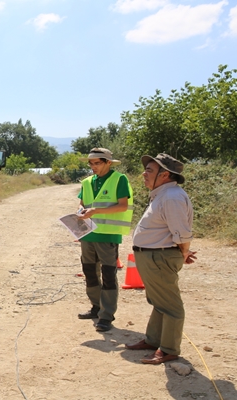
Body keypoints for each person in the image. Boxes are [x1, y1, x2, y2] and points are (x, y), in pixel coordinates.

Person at [125, 153, 195, 364]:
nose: (144, 174)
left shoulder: (172, 197)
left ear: (165, 175)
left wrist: (183, 252)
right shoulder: (163, 194)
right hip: (153, 256)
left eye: (150, 170)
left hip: (160, 256)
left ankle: (169, 349)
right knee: (159, 301)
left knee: (170, 305)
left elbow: (181, 233)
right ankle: (154, 340)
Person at [76, 148, 133, 332]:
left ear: (108, 162)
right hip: (87, 235)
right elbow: (82, 203)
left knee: (108, 274)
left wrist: (96, 212)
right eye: (91, 164)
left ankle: (106, 315)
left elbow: (123, 206)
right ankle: (96, 307)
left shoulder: (120, 179)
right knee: (90, 271)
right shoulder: (86, 182)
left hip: (108, 235)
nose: (93, 167)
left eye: (97, 163)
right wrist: (80, 211)